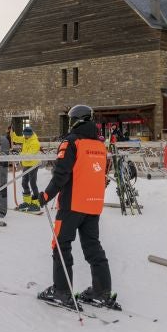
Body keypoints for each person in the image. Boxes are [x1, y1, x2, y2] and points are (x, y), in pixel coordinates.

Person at [37, 104, 114, 308]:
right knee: (93, 247)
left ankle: (61, 291)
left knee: (61, 245)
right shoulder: (100, 145)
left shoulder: (71, 142)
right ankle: (102, 291)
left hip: (72, 205)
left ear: (77, 121)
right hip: (93, 205)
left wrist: (46, 195)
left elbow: (61, 174)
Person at [10, 125, 42, 211]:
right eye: (24, 135)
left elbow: (30, 155)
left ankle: (36, 204)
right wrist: (12, 131)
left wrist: (18, 154)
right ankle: (27, 202)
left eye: (27, 135)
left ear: (31, 134)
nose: (25, 137)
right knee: (24, 183)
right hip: (26, 164)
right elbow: (16, 139)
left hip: (33, 164)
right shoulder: (25, 138)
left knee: (32, 183)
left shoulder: (35, 142)